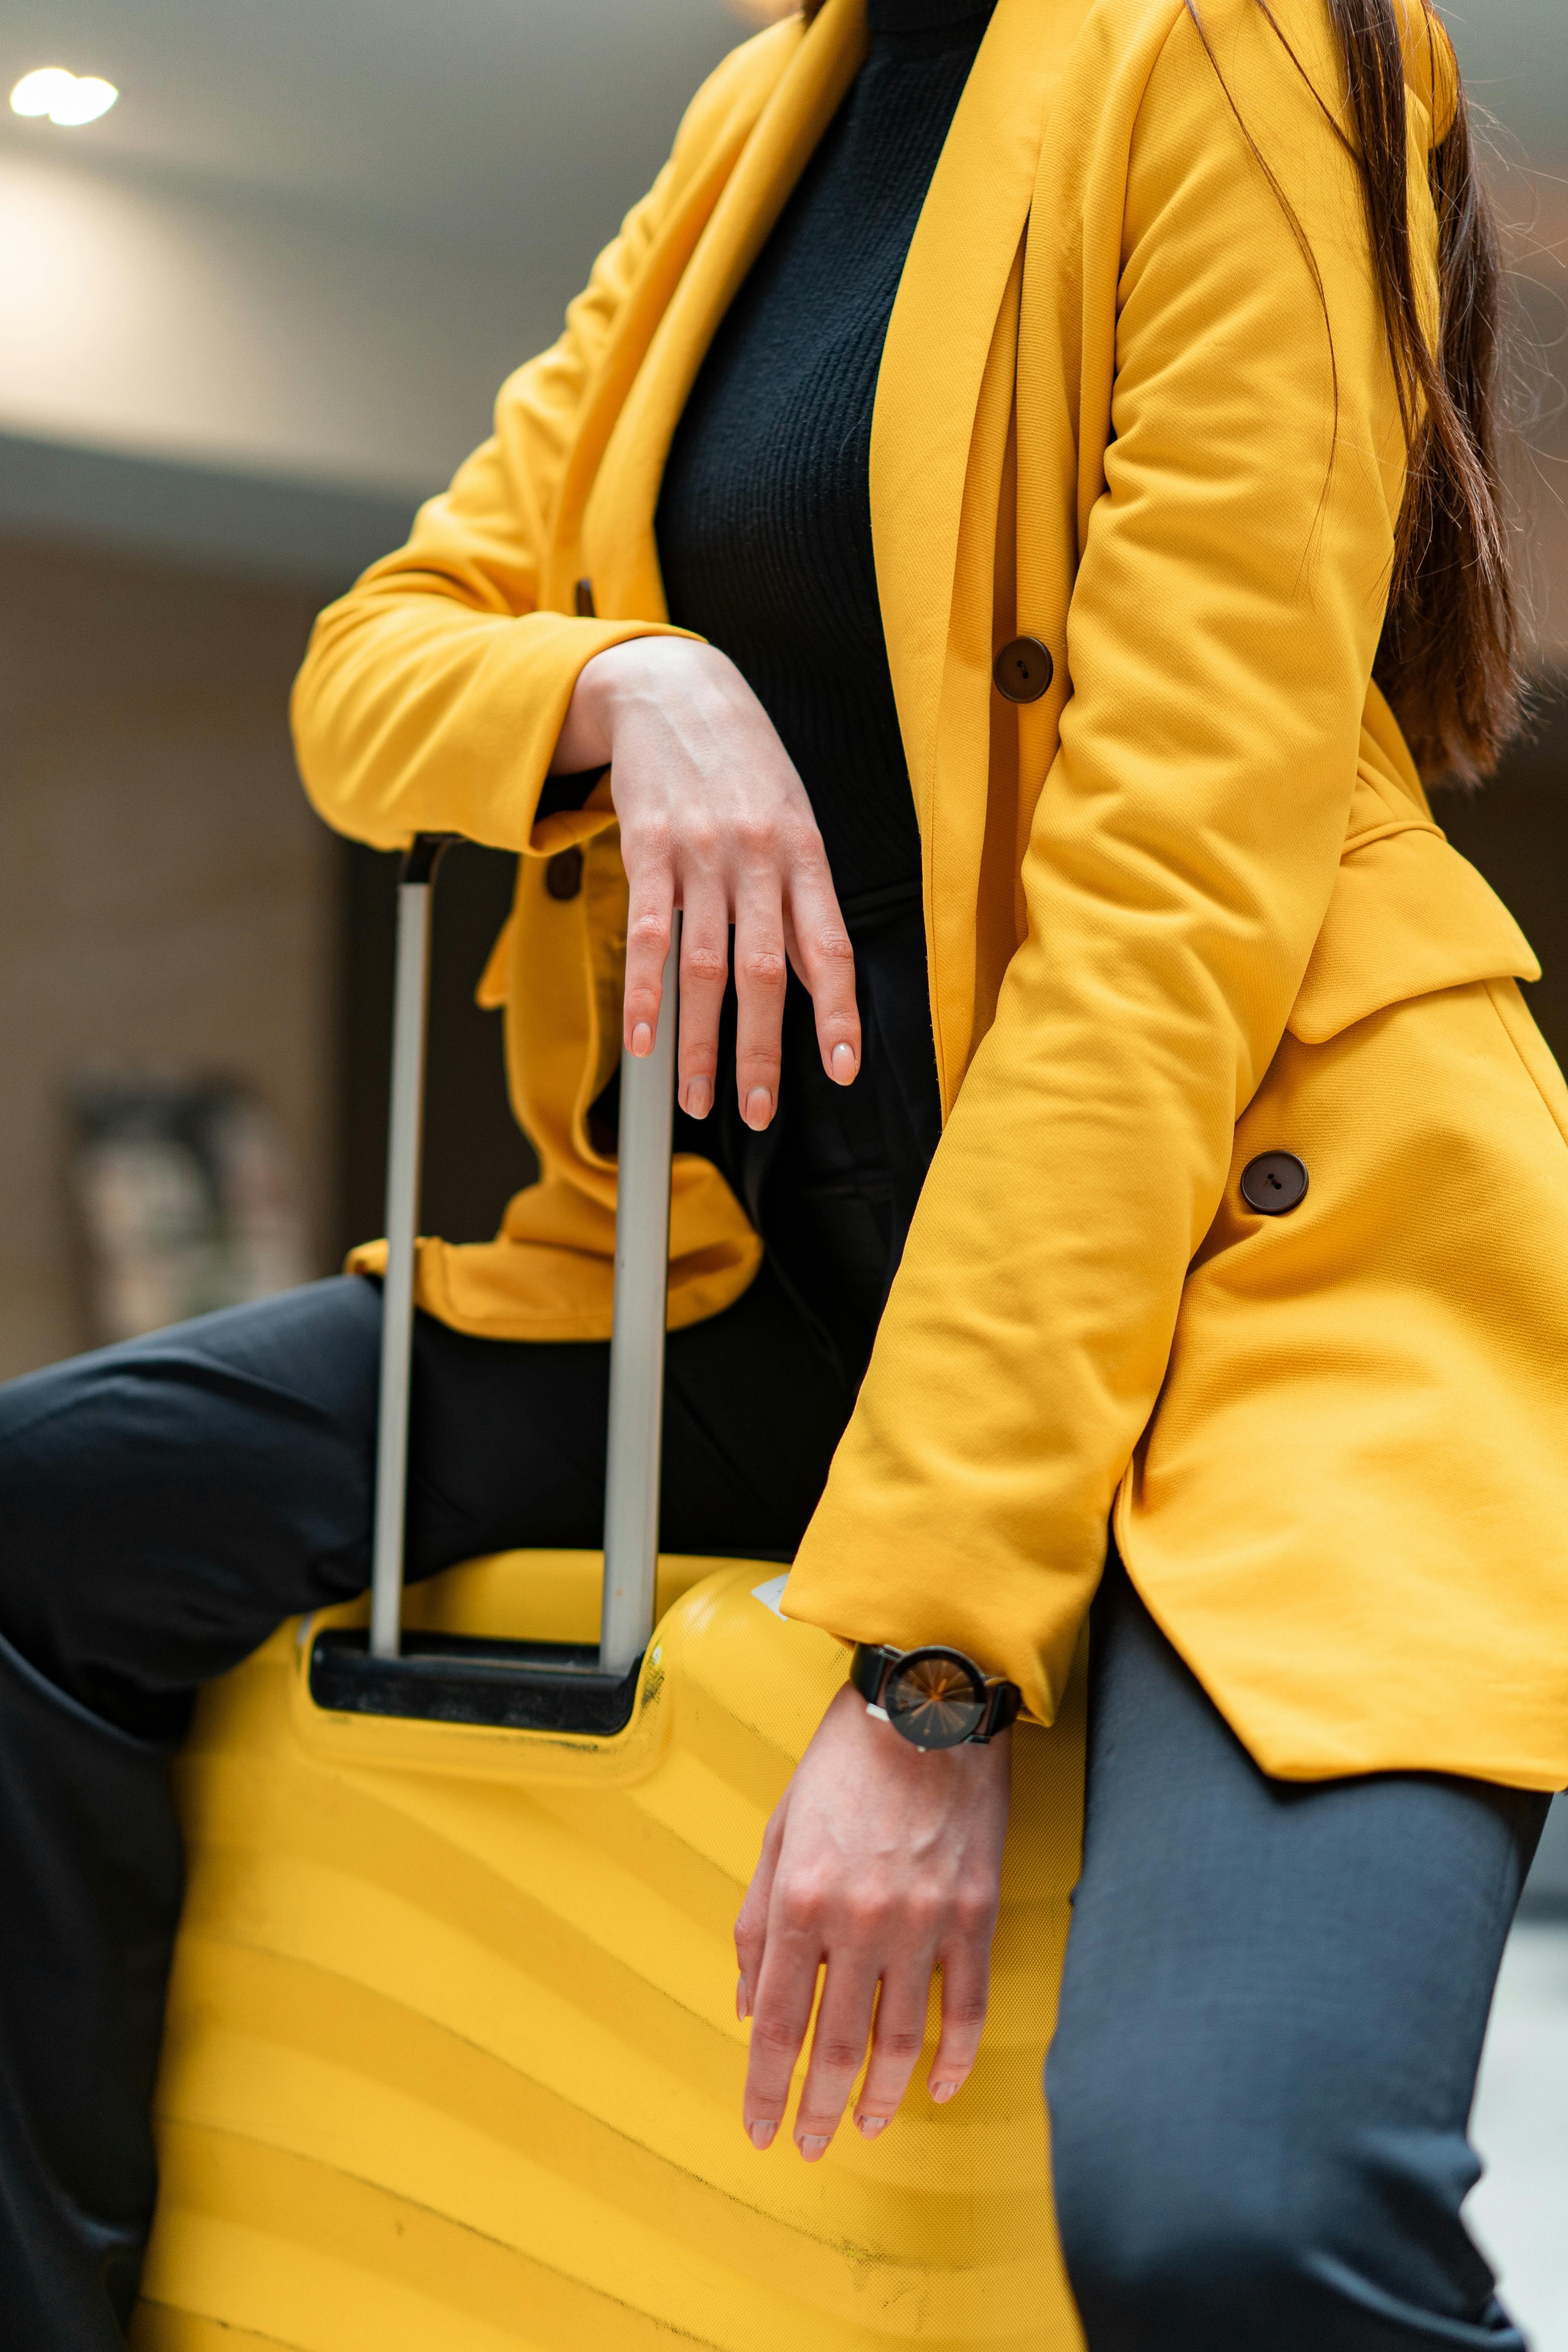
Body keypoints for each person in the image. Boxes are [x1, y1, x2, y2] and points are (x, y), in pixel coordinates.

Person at [0, 0, 1563, 2342]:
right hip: (750, 1290)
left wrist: (928, 1666)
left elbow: (1169, 917)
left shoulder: (1224, 41)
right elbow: (375, 667)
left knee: (1237, 2209)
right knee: (49, 1520)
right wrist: (625, 687)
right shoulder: (768, 109)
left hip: (1265, 1318)